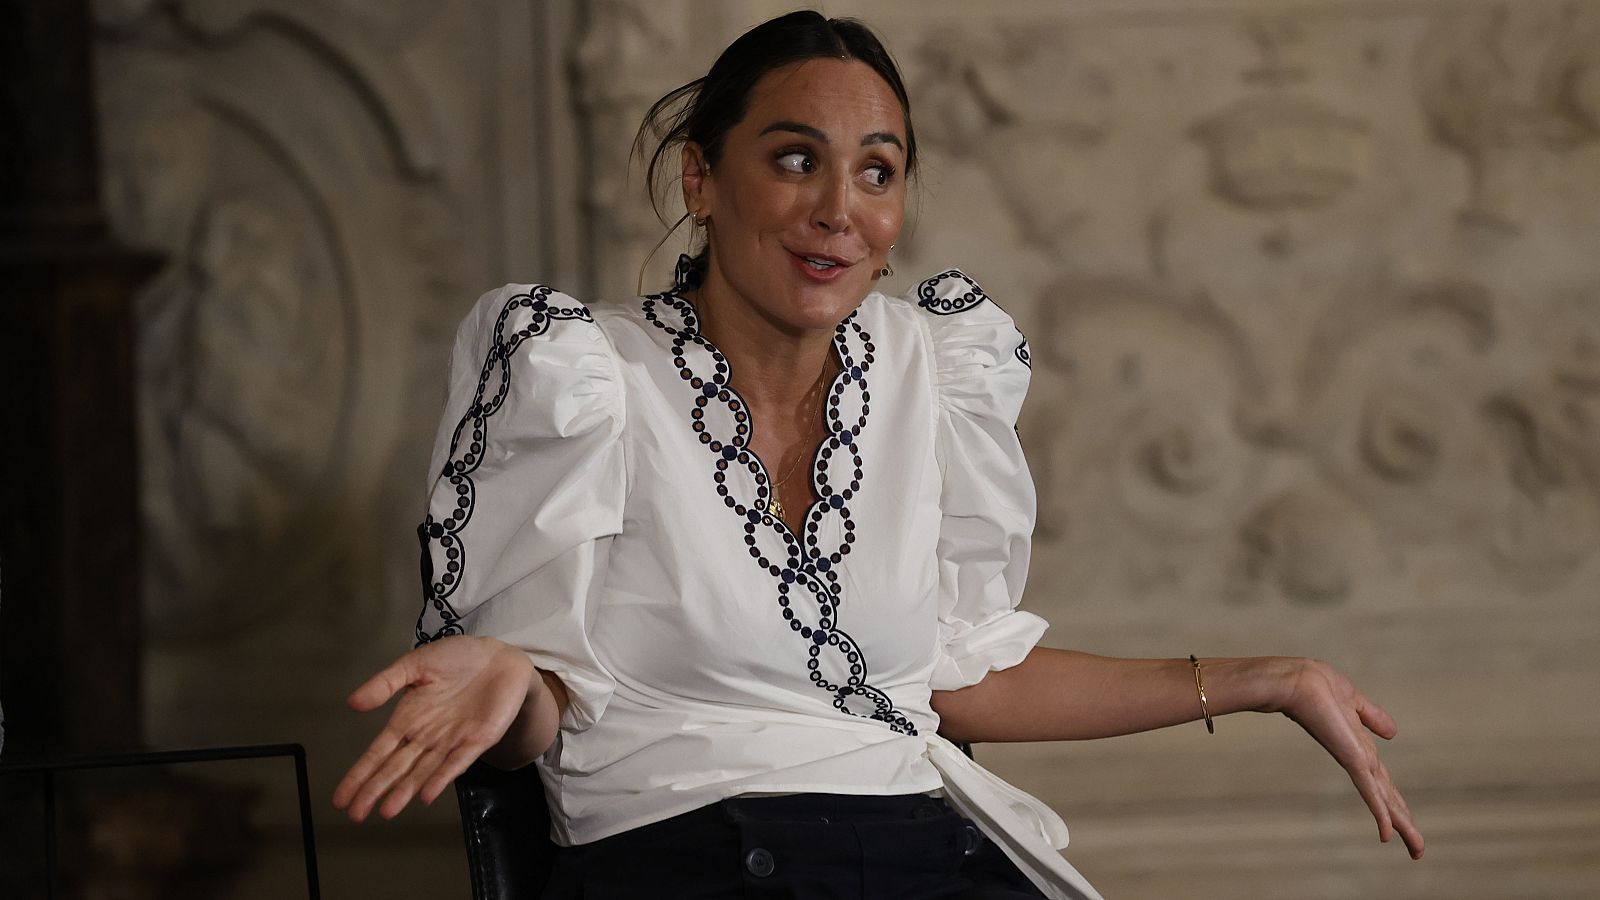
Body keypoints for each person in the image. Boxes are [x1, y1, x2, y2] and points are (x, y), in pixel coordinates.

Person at [333, 11, 1423, 898]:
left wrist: (1270, 679)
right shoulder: (583, 376)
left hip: (924, 854)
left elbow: (963, 679)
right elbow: (543, 715)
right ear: (701, 180)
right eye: (796, 159)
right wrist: (506, 667)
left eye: (877, 171)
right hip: (688, 858)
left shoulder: (930, 368)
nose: (837, 213)